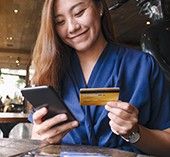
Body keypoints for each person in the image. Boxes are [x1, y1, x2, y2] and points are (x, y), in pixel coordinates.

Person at [30, 0, 170, 156]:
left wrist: (135, 133)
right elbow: (38, 140)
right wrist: (39, 137)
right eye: (60, 22)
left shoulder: (142, 66)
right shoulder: (50, 71)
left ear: (99, 8)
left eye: (79, 13)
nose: (72, 27)